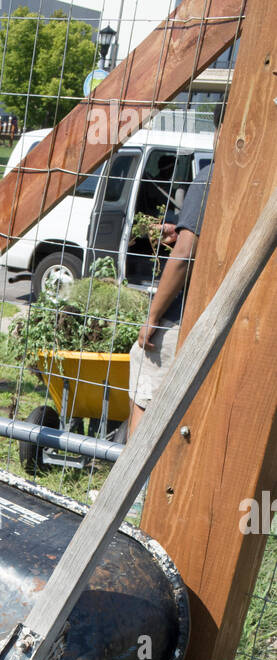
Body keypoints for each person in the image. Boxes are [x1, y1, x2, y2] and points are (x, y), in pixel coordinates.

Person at [128, 102, 224, 436]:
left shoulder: (214, 173)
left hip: (182, 318)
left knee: (145, 386)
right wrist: (180, 228)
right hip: (218, 318)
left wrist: (152, 318)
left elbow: (184, 255)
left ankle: (135, 487)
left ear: (220, 129)